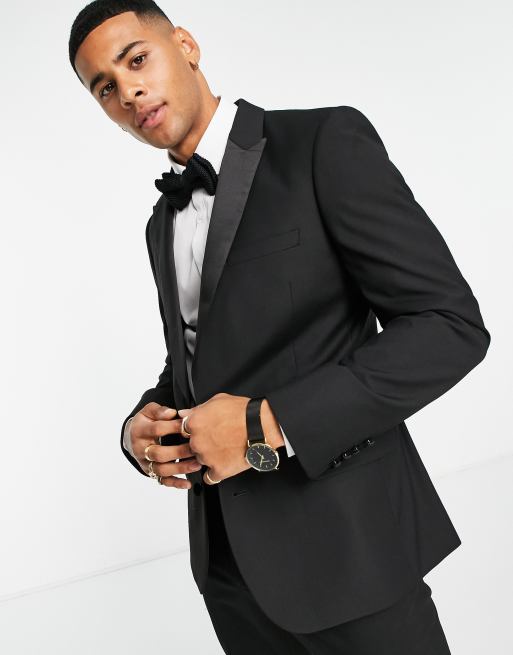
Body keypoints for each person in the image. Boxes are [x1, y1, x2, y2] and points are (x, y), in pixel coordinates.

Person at [69, 2, 491, 653]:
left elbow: (447, 325)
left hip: (352, 551)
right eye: (104, 87)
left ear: (185, 45)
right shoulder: (161, 222)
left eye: (136, 59)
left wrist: (264, 423)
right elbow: (195, 359)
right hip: (230, 573)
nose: (127, 91)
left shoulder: (321, 143)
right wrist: (140, 430)